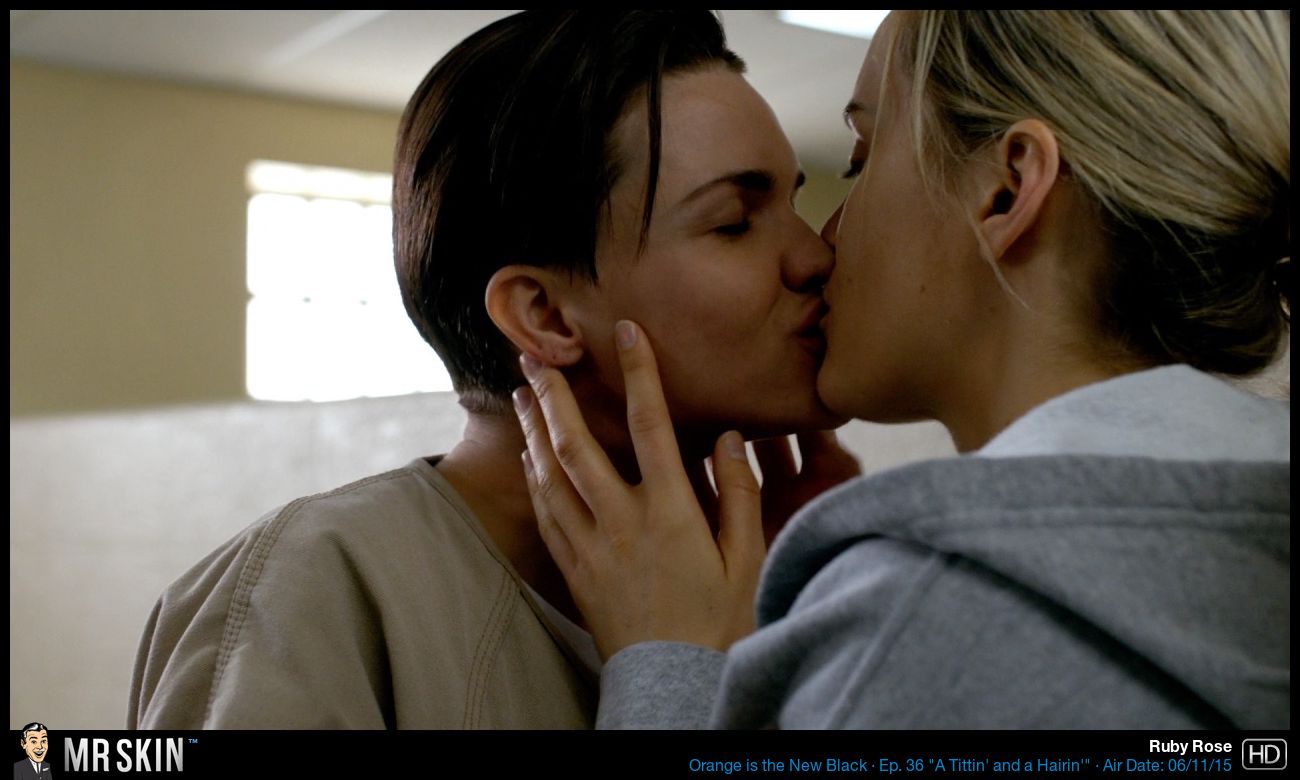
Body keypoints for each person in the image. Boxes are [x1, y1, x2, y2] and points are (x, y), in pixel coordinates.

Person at [515, 10, 1290, 728]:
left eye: (858, 161)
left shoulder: (936, 620)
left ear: (1006, 191)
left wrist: (671, 671)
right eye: (735, 223)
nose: (821, 246)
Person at [128, 10, 857, 729]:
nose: (815, 256)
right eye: (734, 222)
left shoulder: (783, 581)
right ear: (544, 316)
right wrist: (677, 677)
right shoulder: (311, 590)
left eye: (794, 202)